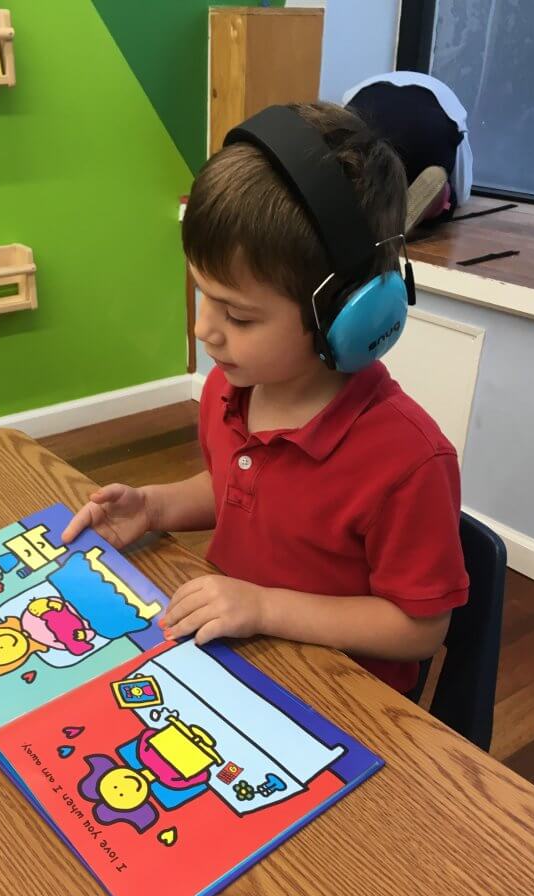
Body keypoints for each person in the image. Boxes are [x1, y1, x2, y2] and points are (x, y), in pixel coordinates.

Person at [62, 102, 469, 694]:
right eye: (203, 296)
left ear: (346, 317)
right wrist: (155, 508)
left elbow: (418, 629)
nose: (204, 330)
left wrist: (264, 607)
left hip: (345, 707)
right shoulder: (231, 390)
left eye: (238, 315)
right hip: (236, 661)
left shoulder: (408, 463)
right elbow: (238, 488)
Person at [342, 71, 473, 234]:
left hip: (365, 122)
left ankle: (361, 203)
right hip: (426, 134)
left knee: (357, 171)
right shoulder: (450, 102)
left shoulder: (356, 90)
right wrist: (453, 197)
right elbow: (462, 190)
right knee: (449, 195)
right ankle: (432, 202)